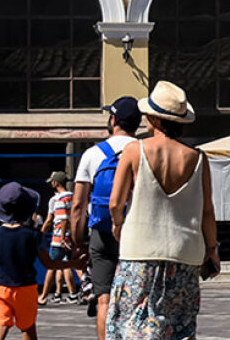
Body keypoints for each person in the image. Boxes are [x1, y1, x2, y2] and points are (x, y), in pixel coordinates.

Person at [106, 81, 218, 340]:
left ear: (154, 119)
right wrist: (212, 249)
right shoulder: (198, 158)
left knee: (133, 322)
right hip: (185, 252)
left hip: (139, 249)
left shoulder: (134, 150)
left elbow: (115, 202)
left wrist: (118, 224)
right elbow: (207, 211)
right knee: (178, 325)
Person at [70, 95, 141, 339]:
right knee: (137, 300)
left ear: (114, 120)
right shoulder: (144, 151)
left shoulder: (92, 154)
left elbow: (78, 205)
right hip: (135, 233)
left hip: (101, 232)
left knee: (104, 301)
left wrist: (78, 243)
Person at [0, 182, 85, 340]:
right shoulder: (33, 235)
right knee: (28, 328)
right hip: (25, 288)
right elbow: (49, 264)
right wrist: (73, 264)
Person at [39, 171, 77, 305]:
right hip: (72, 237)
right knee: (70, 265)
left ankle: (43, 296)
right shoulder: (73, 197)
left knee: (51, 266)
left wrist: (40, 233)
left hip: (59, 238)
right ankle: (76, 293)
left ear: (56, 183)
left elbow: (57, 220)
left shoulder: (58, 199)